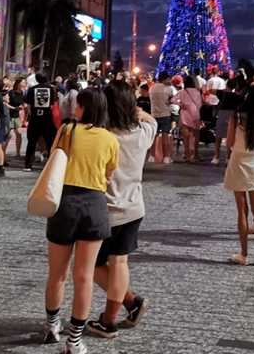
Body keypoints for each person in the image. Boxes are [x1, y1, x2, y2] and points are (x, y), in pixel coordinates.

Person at [42, 89, 119, 352]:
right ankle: (74, 341)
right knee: (84, 276)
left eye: (78, 105)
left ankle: (53, 325)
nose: (74, 108)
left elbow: (54, 160)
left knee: (57, 273)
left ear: (85, 107)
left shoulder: (67, 131)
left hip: (65, 202)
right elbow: (109, 174)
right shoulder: (110, 139)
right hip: (94, 205)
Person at [86, 81, 157, 339]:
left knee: (91, 265)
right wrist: (138, 111)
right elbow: (152, 121)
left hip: (104, 209)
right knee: (119, 262)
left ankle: (119, 311)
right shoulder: (142, 132)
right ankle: (117, 312)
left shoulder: (102, 136)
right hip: (134, 207)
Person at [224, 85, 254, 267]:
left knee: (242, 211)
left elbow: (229, 142)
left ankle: (243, 254)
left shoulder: (237, 116)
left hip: (238, 161)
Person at [25, 73, 58, 171]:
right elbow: (54, 103)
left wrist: (31, 116)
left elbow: (29, 105)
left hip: (35, 118)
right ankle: (51, 164)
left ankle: (28, 165)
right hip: (47, 118)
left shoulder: (32, 89)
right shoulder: (52, 89)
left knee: (32, 142)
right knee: (50, 142)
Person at [174, 75, 203, 163]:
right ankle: (196, 154)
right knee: (196, 136)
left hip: (185, 113)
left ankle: (187, 155)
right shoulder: (197, 92)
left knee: (186, 136)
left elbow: (172, 100)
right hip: (195, 113)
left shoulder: (183, 92)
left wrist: (181, 104)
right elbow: (200, 103)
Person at [148, 73, 175, 164]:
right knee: (165, 136)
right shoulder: (168, 89)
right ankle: (166, 157)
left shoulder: (152, 88)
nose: (170, 81)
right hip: (165, 114)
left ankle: (151, 156)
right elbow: (172, 100)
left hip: (154, 114)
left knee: (153, 136)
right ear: (165, 79)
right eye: (169, 79)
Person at [7, 79, 26, 159]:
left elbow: (23, 103)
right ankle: (1, 151)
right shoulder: (11, 92)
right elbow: (6, 104)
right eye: (23, 82)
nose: (24, 84)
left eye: (25, 83)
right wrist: (14, 108)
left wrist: (23, 106)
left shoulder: (22, 93)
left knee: (18, 134)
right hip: (9, 116)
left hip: (17, 116)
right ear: (18, 84)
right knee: (8, 135)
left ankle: (18, 152)